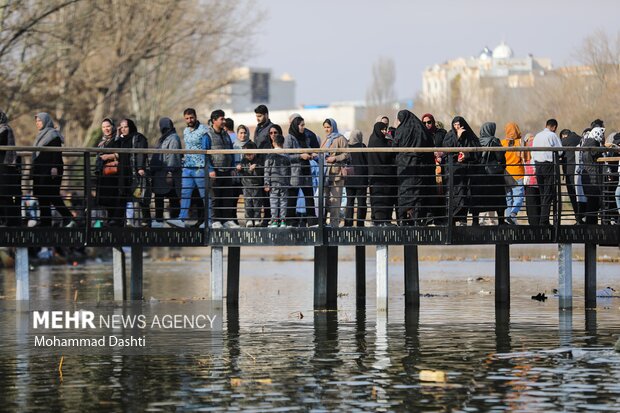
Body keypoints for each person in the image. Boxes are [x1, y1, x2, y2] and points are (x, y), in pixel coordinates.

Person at [167, 108, 214, 229]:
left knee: (204, 195)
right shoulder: (186, 131)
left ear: (196, 116)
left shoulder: (204, 131)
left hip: (199, 167)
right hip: (187, 167)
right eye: (187, 118)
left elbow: (207, 151)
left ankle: (209, 220)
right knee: (185, 193)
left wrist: (209, 169)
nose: (189, 120)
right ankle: (181, 219)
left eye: (191, 117)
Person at [31, 112, 75, 227]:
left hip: (50, 170)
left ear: (46, 121)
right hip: (40, 170)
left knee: (52, 195)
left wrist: (54, 167)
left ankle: (68, 217)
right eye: (36, 121)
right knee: (42, 197)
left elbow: (56, 152)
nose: (37, 123)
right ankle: (46, 222)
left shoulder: (52, 134)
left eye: (40, 121)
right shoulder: (41, 135)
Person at [393, 110, 435, 225]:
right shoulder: (421, 129)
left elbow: (395, 145)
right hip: (419, 167)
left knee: (404, 192)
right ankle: (417, 218)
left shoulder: (400, 130)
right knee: (417, 193)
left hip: (404, 167)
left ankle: (403, 219)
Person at [442, 116, 481, 226]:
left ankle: (464, 219)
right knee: (453, 196)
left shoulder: (469, 135)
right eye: (455, 125)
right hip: (454, 172)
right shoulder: (450, 135)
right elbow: (446, 149)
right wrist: (457, 137)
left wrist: (467, 155)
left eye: (459, 124)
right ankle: (453, 219)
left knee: (465, 195)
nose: (457, 127)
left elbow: (477, 151)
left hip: (467, 171)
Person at [207, 109, 239, 228]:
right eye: (222, 119)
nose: (224, 121)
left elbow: (230, 151)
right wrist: (210, 169)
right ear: (214, 120)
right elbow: (205, 154)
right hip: (215, 171)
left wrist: (232, 167)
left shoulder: (226, 134)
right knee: (215, 197)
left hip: (227, 170)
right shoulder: (208, 135)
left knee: (227, 197)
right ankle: (215, 220)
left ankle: (227, 220)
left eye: (224, 118)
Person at [285, 116, 318, 226]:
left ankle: (312, 221)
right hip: (295, 172)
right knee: (292, 196)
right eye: (301, 125)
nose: (303, 127)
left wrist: (311, 155)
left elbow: (308, 149)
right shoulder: (289, 138)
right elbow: (286, 156)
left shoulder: (306, 137)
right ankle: (290, 221)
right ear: (296, 125)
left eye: (304, 125)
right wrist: (300, 156)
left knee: (309, 196)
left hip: (306, 170)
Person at [473, 122, 507, 226]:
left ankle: (475, 221)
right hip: (494, 176)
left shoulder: (477, 141)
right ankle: (501, 221)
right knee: (498, 199)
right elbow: (500, 158)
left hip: (479, 175)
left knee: (478, 199)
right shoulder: (495, 141)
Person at [150, 118, 182, 228]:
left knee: (173, 196)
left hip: (168, 173)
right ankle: (159, 220)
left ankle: (175, 219)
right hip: (160, 174)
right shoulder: (163, 138)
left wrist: (170, 171)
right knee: (159, 196)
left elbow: (173, 155)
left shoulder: (173, 138)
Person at [532, 119, 563, 226]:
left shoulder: (537, 135)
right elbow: (560, 151)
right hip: (548, 165)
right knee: (548, 193)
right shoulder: (552, 135)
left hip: (537, 165)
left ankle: (543, 219)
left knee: (542, 193)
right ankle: (544, 220)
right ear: (554, 127)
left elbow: (532, 152)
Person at [119, 118, 150, 226]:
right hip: (124, 173)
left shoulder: (138, 138)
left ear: (130, 127)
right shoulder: (122, 139)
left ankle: (146, 221)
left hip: (136, 173)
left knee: (141, 196)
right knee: (127, 198)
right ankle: (129, 221)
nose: (123, 129)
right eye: (121, 127)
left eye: (125, 127)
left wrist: (140, 167)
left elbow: (141, 153)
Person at [95, 118, 125, 226]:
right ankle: (109, 220)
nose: (106, 129)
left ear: (112, 126)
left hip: (112, 173)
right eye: (103, 127)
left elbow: (121, 153)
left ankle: (114, 221)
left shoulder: (117, 138)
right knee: (105, 198)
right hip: (103, 172)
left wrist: (108, 156)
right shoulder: (103, 140)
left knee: (112, 197)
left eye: (108, 126)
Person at [320, 118, 349, 227]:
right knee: (326, 200)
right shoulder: (325, 139)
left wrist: (335, 158)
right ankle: (326, 224)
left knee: (335, 202)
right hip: (326, 174)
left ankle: (334, 225)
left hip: (336, 175)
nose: (327, 129)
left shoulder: (340, 138)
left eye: (328, 127)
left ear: (333, 127)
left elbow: (347, 154)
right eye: (325, 127)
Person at [367, 121, 396, 225]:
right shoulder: (378, 141)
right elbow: (385, 156)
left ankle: (380, 221)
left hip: (378, 176)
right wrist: (391, 142)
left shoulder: (373, 139)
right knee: (381, 200)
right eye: (382, 129)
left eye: (385, 129)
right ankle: (382, 221)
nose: (384, 132)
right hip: (381, 176)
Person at [422, 113, 447, 225]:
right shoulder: (421, 134)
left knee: (441, 192)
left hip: (441, 167)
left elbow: (448, 146)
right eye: (424, 123)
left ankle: (440, 218)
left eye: (429, 122)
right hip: (427, 168)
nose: (426, 124)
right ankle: (429, 218)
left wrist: (441, 153)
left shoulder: (441, 133)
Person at [577, 127, 604, 224]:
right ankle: (592, 227)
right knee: (594, 203)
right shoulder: (593, 143)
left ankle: (591, 224)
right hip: (593, 178)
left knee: (592, 203)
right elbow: (595, 153)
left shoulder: (587, 142)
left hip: (588, 176)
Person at [264, 134, 290, 227]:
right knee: (283, 202)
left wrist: (266, 183)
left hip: (273, 183)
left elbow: (267, 170)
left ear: (273, 143)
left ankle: (274, 220)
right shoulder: (286, 156)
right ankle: (283, 220)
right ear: (283, 143)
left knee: (274, 202)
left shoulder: (270, 156)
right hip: (284, 183)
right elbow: (289, 170)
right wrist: (288, 182)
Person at [0, 109, 21, 226]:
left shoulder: (5, 129)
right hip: (2, 168)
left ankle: (7, 221)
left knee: (4, 196)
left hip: (5, 168)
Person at [501, 122, 525, 225]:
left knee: (508, 198)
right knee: (519, 196)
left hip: (506, 174)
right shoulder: (519, 143)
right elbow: (525, 158)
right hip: (518, 173)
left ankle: (507, 219)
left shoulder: (502, 143)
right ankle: (513, 214)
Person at [344, 129, 368, 227]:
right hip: (361, 179)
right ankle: (360, 224)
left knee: (350, 202)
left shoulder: (347, 147)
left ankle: (348, 225)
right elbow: (367, 163)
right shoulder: (362, 147)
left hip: (349, 179)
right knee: (361, 203)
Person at [236, 141, 263, 227]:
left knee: (257, 203)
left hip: (256, 186)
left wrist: (257, 166)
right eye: (247, 154)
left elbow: (262, 171)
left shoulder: (258, 161)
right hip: (246, 186)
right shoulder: (243, 161)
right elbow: (240, 173)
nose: (249, 156)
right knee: (248, 203)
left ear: (255, 152)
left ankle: (257, 219)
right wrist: (239, 169)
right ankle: (249, 220)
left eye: (250, 154)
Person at [560, 128, 583, 224]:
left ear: (564, 136)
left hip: (570, 172)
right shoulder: (579, 138)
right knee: (581, 195)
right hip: (581, 171)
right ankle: (582, 217)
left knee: (573, 195)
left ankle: (578, 219)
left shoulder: (565, 141)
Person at [522, 133, 541, 225]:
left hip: (529, 181)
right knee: (540, 203)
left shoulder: (525, 147)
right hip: (540, 179)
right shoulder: (538, 144)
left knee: (531, 205)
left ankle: (533, 225)